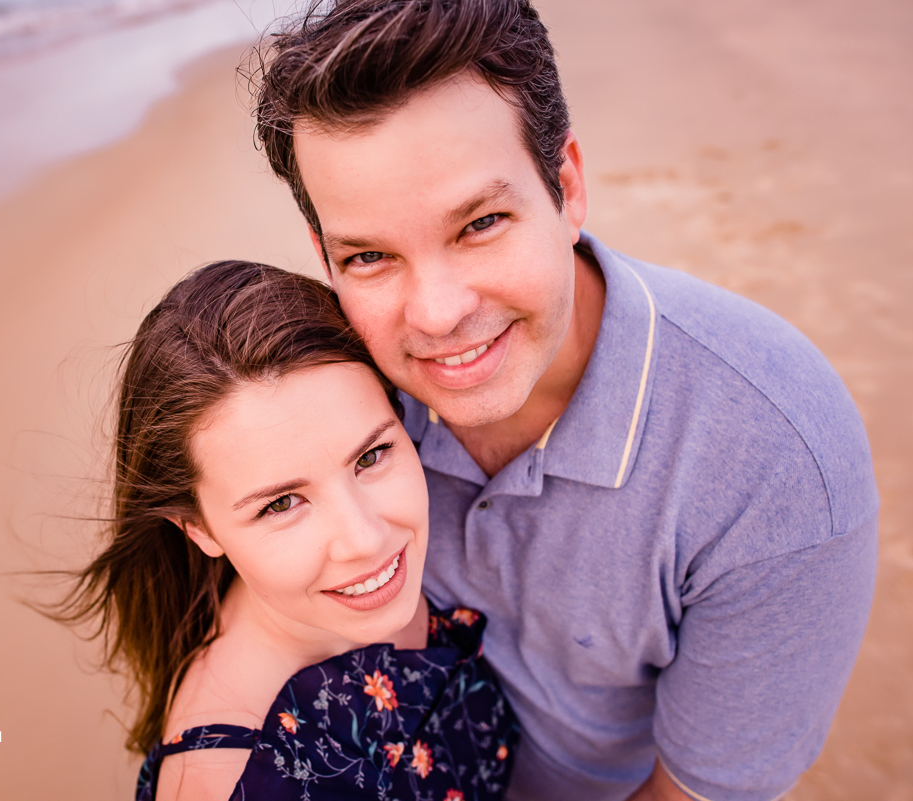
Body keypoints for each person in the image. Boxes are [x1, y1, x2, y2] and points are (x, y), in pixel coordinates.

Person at [250, 1, 879, 800]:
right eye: (370, 255)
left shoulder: (774, 456)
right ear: (325, 257)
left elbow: (695, 793)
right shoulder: (331, 379)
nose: (436, 315)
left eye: (481, 223)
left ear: (568, 185)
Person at [55, 261, 519, 801]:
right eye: (281, 504)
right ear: (198, 528)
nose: (365, 540)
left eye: (371, 456)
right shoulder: (234, 781)